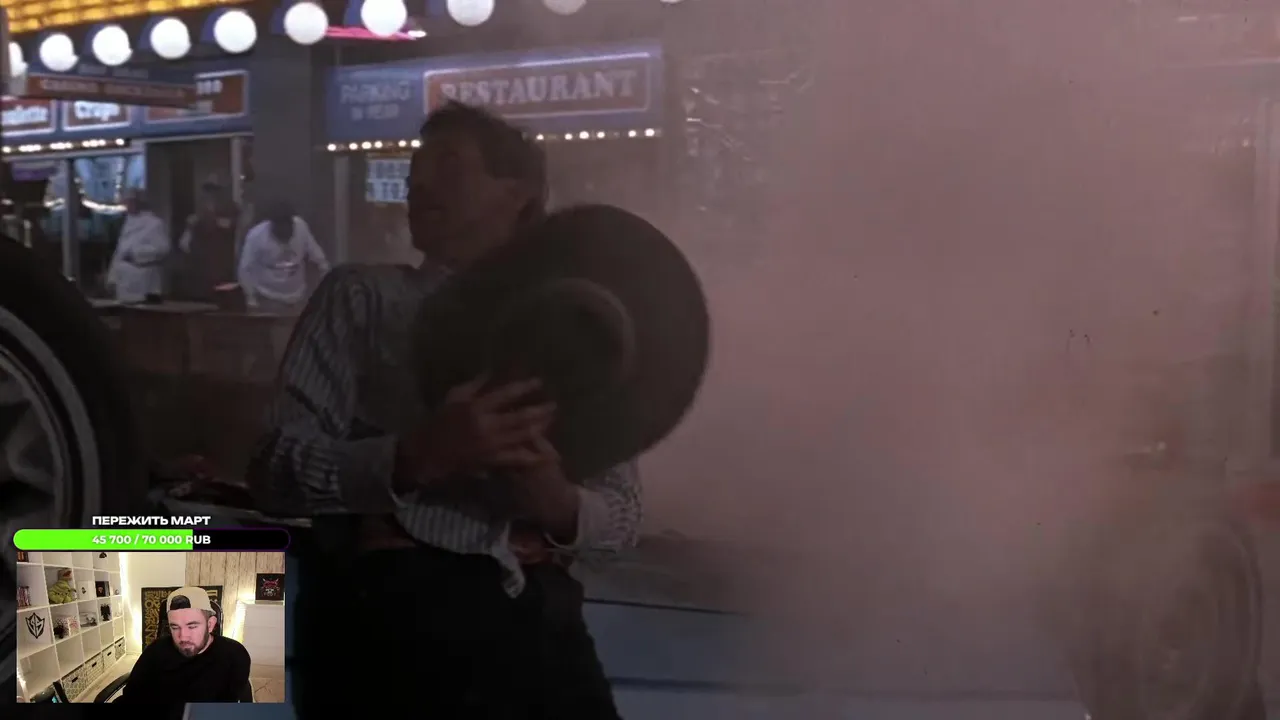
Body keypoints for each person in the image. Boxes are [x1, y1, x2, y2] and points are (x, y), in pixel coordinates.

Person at [247, 101, 640, 718]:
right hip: (398, 625)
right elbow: (274, 467)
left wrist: (559, 502)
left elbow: (623, 515)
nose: (419, 185)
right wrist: (413, 457)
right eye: (415, 171)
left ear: (518, 193)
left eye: (449, 167)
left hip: (546, 632)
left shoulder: (577, 324)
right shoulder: (364, 297)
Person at [119, 587, 251, 704]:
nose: (183, 637)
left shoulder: (234, 655)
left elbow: (228, 708)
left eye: (192, 626)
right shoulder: (155, 651)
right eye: (175, 627)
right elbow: (131, 697)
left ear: (210, 624)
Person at [237, 201, 330, 312]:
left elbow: (318, 257)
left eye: (288, 226)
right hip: (268, 297)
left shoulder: (301, 227)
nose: (284, 229)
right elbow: (245, 269)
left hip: (298, 296)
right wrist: (251, 299)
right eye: (280, 226)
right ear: (272, 225)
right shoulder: (256, 236)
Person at [178, 179, 239, 300]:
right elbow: (185, 244)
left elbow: (231, 225)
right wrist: (192, 224)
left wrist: (210, 220)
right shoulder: (200, 208)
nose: (210, 193)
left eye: (214, 189)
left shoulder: (230, 208)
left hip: (222, 264)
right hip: (201, 266)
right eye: (208, 190)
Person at [104, 192, 169, 304]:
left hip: (144, 282)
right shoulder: (127, 223)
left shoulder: (154, 223)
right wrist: (112, 278)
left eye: (131, 202)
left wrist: (136, 254)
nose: (128, 206)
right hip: (124, 282)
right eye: (126, 202)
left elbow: (162, 249)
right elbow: (119, 252)